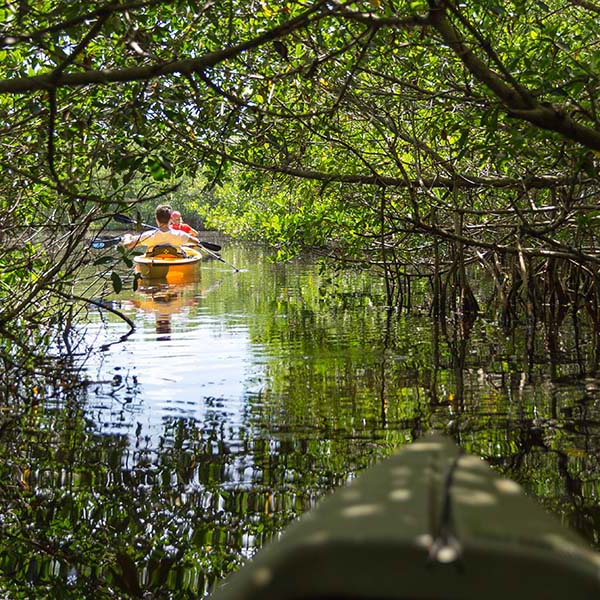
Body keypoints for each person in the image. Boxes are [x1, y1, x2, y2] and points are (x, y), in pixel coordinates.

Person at [121, 204, 199, 251]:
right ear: (170, 219)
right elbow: (196, 242)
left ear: (156, 219)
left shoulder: (147, 235)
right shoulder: (181, 235)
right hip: (175, 260)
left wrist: (127, 236)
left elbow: (128, 245)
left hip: (154, 264)